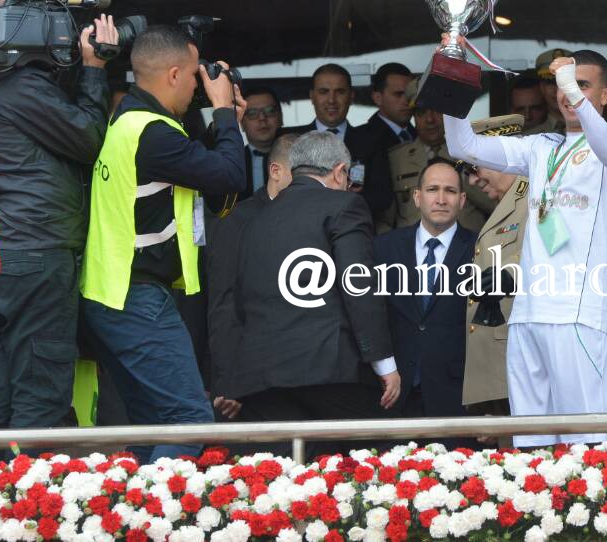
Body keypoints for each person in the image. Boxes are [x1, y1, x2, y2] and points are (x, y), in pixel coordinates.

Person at [445, 46, 607, 447]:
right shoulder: (540, 147)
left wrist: (568, 83)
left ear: (605, 95)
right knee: (531, 447)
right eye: (564, 85)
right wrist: (452, 79)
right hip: (527, 314)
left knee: (589, 443)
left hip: (580, 314)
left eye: (582, 85)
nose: (569, 93)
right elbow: (463, 146)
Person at [0, 0, 110, 447]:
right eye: (18, 15)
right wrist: (93, 70)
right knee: (40, 405)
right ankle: (30, 497)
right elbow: (88, 137)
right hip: (35, 258)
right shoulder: (18, 87)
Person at [80, 25, 247, 463]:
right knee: (190, 421)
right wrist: (223, 112)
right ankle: (164, 505)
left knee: (150, 424)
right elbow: (232, 176)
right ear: (174, 74)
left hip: (112, 294)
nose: (198, 86)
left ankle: (137, 501)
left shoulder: (129, 121)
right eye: (194, 76)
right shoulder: (153, 133)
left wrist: (228, 122)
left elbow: (213, 182)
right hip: (135, 298)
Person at [228, 132, 399, 457]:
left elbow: (238, 300)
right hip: (328, 371)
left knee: (286, 478)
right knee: (379, 462)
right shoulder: (345, 205)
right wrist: (383, 362)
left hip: (261, 378)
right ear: (339, 172)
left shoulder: (255, 218)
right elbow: (358, 286)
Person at [373, 159, 477, 425]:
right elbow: (371, 316)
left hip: (457, 398)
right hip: (393, 394)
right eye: (432, 190)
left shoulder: (481, 249)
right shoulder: (383, 248)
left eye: (450, 191)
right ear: (417, 197)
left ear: (462, 200)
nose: (441, 199)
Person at [206, 133, 298, 420]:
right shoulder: (236, 221)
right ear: (276, 171)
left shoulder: (320, 217)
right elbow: (223, 307)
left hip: (301, 374)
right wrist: (229, 380)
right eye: (301, 174)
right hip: (250, 380)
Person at [456, 116, 530, 416]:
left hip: (522, 365)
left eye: (474, 168)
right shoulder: (510, 202)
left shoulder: (541, 196)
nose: (472, 181)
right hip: (501, 369)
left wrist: (508, 273)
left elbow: (550, 256)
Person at [283, 63, 393, 217]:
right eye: (324, 92)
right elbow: (280, 190)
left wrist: (345, 199)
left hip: (354, 223)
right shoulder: (291, 140)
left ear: (351, 96)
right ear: (312, 96)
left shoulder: (372, 141)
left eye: (340, 92)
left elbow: (382, 198)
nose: (331, 100)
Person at [381, 90, 488, 232]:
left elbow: (496, 204)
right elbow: (384, 219)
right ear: (413, 117)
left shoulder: (472, 153)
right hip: (411, 244)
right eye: (421, 113)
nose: (430, 119)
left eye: (437, 111)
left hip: (468, 243)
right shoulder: (397, 158)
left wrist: (462, 175)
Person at [239, 85, 283, 199]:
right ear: (242, 123)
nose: (262, 118)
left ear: (281, 117)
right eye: (252, 113)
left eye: (270, 111)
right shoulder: (233, 162)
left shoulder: (299, 158)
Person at [534, 48, 570, 132]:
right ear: (542, 87)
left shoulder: (596, 134)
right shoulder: (529, 137)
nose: (558, 90)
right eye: (551, 82)